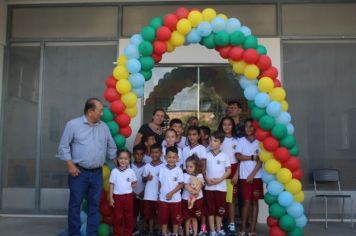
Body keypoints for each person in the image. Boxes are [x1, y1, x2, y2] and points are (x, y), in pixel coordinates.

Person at [57, 98, 117, 236]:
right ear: (90, 111)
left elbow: (111, 146)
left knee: (94, 207)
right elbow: (63, 146)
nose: (102, 114)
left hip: (97, 173)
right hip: (78, 173)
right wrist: (70, 164)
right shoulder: (73, 125)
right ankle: (74, 234)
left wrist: (118, 165)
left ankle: (92, 233)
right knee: (75, 205)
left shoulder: (103, 127)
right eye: (100, 110)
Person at [236, 118, 263, 236]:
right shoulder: (241, 140)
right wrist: (252, 157)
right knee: (246, 202)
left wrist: (252, 175)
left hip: (256, 176)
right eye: (246, 126)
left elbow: (261, 160)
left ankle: (252, 229)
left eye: (251, 126)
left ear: (255, 128)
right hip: (243, 177)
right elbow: (238, 156)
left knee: (254, 202)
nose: (248, 128)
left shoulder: (260, 142)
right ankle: (243, 229)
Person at [204, 131, 231, 236]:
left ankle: (219, 229)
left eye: (215, 141)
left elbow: (228, 171)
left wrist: (220, 179)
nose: (212, 142)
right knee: (210, 210)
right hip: (209, 187)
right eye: (211, 140)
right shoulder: (206, 155)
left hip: (221, 187)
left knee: (220, 209)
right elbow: (203, 170)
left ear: (221, 143)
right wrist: (206, 179)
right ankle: (212, 231)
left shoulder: (225, 156)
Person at [218, 117, 239, 234]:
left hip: (233, 169)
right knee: (220, 197)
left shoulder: (238, 140)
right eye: (224, 124)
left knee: (231, 199)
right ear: (221, 126)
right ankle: (219, 224)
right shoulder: (218, 140)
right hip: (220, 170)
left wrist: (236, 174)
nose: (226, 127)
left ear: (233, 126)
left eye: (229, 124)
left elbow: (240, 160)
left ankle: (231, 223)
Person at [109, 150, 137, 236]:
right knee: (118, 217)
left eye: (125, 159)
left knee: (129, 217)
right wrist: (111, 198)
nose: (123, 161)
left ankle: (127, 233)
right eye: (121, 158)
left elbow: (134, 183)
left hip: (128, 197)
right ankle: (117, 234)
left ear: (129, 160)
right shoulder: (114, 171)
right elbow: (111, 185)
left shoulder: (131, 171)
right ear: (117, 159)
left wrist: (134, 184)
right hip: (117, 197)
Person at [158, 146, 184, 236]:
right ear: (165, 157)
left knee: (176, 219)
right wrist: (159, 195)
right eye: (169, 157)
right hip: (163, 199)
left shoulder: (179, 170)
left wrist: (171, 193)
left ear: (177, 158)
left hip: (175, 199)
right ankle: (164, 233)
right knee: (163, 218)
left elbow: (181, 184)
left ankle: (175, 233)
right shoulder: (162, 169)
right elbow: (160, 183)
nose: (171, 159)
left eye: (174, 157)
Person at [142, 143, 164, 236]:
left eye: (157, 152)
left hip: (160, 195)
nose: (154, 154)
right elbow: (143, 179)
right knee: (150, 215)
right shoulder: (147, 166)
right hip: (149, 195)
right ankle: (150, 231)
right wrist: (147, 178)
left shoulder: (164, 166)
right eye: (152, 152)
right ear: (150, 154)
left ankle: (159, 230)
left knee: (160, 214)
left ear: (161, 153)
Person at [182, 155, 205, 236]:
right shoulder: (185, 175)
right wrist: (194, 192)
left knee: (194, 217)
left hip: (198, 200)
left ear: (196, 167)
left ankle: (195, 234)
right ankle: (187, 233)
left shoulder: (199, 175)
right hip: (186, 199)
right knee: (187, 218)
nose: (188, 168)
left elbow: (200, 186)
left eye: (191, 167)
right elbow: (185, 185)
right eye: (187, 166)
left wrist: (196, 191)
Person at [131, 144, 147, 234]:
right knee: (133, 212)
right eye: (137, 154)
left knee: (144, 212)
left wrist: (143, 191)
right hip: (132, 194)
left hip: (143, 194)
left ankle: (143, 228)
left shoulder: (147, 166)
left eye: (141, 154)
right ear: (133, 155)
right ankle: (134, 227)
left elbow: (148, 182)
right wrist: (133, 193)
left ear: (144, 155)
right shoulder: (130, 166)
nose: (139, 156)